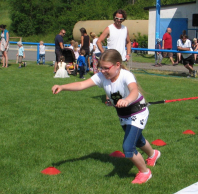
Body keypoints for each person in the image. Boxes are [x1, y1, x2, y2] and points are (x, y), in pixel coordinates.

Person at [52, 49, 161, 184]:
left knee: (128, 147)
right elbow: (81, 84)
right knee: (137, 140)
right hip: (123, 114)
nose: (102, 71)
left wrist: (127, 100)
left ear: (117, 65)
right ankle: (153, 154)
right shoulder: (102, 77)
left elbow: (134, 90)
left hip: (137, 111)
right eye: (100, 68)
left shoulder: (126, 75)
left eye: (106, 68)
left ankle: (145, 172)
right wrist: (62, 86)